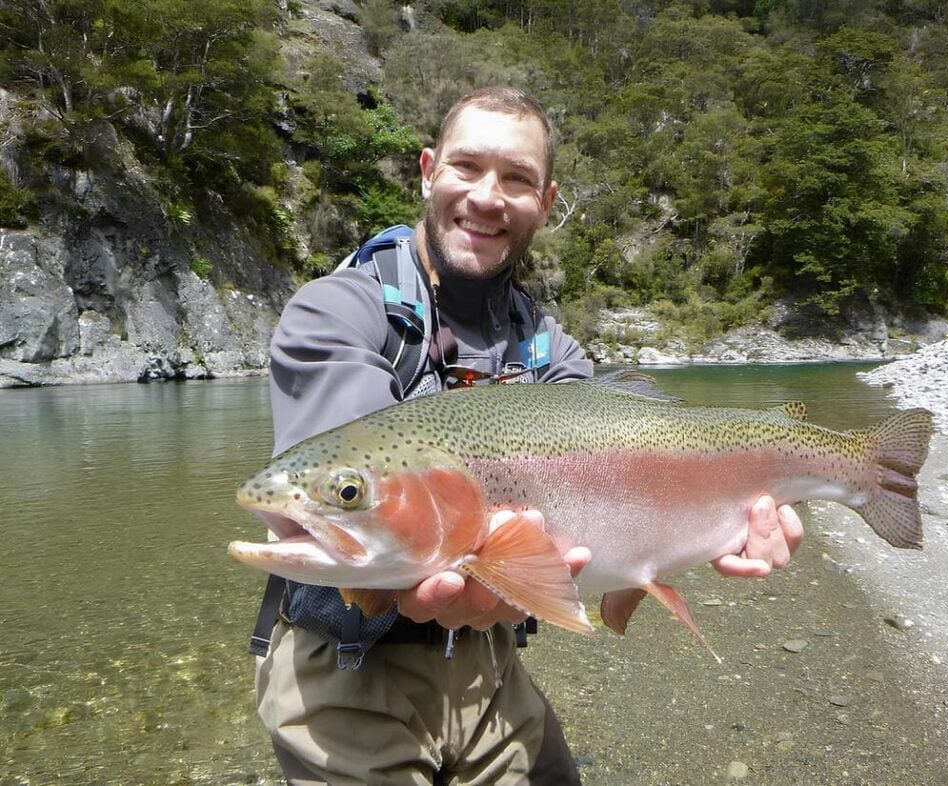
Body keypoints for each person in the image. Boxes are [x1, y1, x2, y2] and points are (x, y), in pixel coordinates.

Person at [253, 86, 804, 785]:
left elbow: (622, 486)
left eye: (516, 179)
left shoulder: (550, 350)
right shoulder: (335, 312)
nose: (487, 197)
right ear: (427, 170)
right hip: (342, 678)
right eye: (466, 167)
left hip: (491, 671)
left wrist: (712, 519)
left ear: (546, 202)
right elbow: (360, 478)